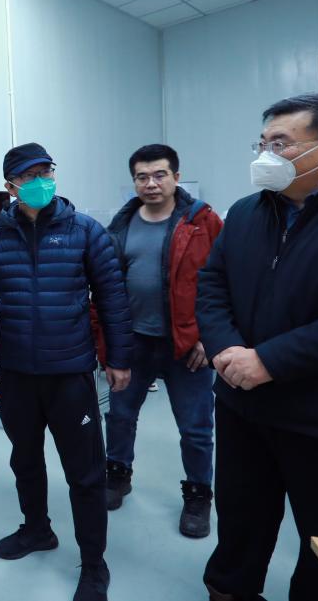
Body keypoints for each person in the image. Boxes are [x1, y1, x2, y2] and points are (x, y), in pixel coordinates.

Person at [198, 90, 318, 601]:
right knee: (240, 520)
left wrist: (269, 360)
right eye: (262, 143)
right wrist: (227, 351)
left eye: (279, 143)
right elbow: (211, 285)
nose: (265, 155)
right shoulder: (246, 212)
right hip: (242, 406)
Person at [0, 142, 134, 601]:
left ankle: (93, 564)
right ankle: (37, 529)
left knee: (85, 474)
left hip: (70, 375)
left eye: (46, 172)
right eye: (29, 175)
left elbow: (112, 299)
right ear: (10, 186)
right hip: (16, 374)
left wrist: (118, 358)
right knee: (25, 459)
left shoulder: (85, 232)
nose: (40, 181)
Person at [100, 144, 222, 538]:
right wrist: (110, 346)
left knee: (196, 428)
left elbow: (225, 283)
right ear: (134, 181)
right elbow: (106, 289)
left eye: (159, 175)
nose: (150, 183)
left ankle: (198, 495)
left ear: (176, 177)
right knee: (120, 416)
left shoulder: (203, 222)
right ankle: (117, 474)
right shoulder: (120, 226)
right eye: (142, 177)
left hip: (186, 346)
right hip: (133, 343)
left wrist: (209, 338)